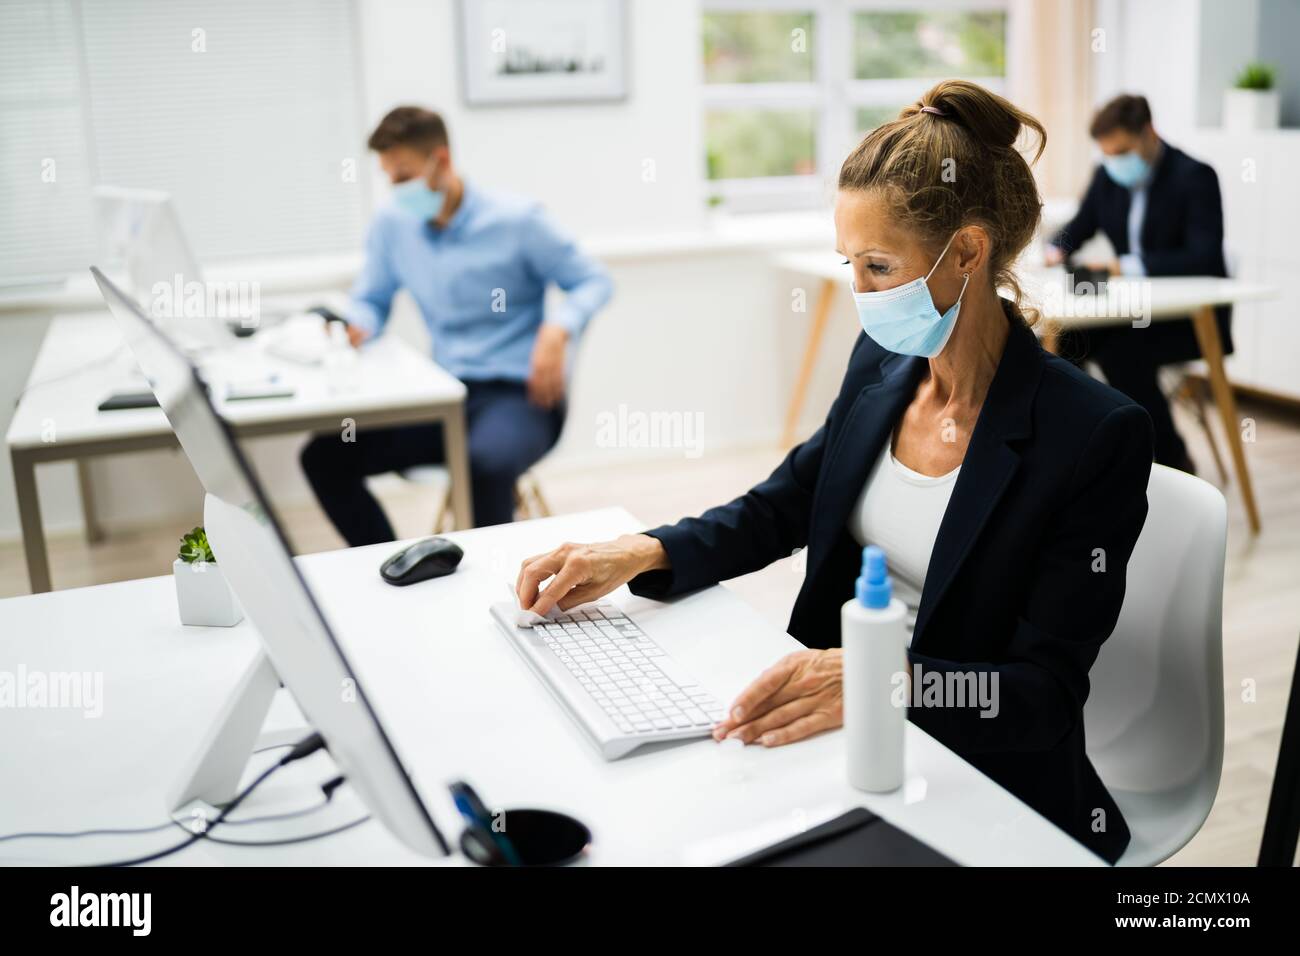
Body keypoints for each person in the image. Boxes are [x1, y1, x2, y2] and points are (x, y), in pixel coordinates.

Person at [514, 81, 1154, 864]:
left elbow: (1042, 696)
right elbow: (789, 501)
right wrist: (644, 550)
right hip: (838, 731)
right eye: (849, 262)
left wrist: (887, 680)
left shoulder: (1093, 434)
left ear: (968, 252)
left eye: (879, 267)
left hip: (976, 773)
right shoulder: (886, 363)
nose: (859, 293)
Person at [301, 107, 613, 540]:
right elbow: (371, 299)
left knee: (482, 463)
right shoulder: (393, 226)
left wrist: (559, 327)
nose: (395, 188)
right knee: (325, 457)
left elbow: (593, 281)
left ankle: (490, 594)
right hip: (442, 395)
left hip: (519, 397)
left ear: (441, 162)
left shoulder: (518, 222)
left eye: (402, 175)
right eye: (388, 176)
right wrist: (358, 323)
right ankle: (396, 565)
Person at [1046, 93, 1230, 473]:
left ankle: (1171, 458)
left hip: (1188, 319)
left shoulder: (1195, 177)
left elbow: (1204, 256)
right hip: (1130, 312)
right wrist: (1053, 249)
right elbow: (1078, 229)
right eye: (1108, 153)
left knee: (1122, 353)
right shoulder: (1107, 175)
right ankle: (1086, 446)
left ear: (1149, 132)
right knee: (1058, 344)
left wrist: (1122, 267)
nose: (1116, 161)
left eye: (1123, 150)